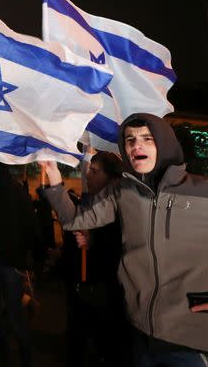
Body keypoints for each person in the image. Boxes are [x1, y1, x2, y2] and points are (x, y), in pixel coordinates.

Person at [41, 113, 208, 365]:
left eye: (147, 138)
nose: (135, 145)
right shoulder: (123, 192)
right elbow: (75, 220)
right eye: (129, 139)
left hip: (196, 345)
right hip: (141, 337)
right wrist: (53, 177)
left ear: (164, 143)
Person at [65, 151, 127, 367]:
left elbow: (120, 250)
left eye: (94, 171)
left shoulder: (123, 209)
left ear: (111, 178)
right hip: (86, 290)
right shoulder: (89, 203)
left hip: (109, 298)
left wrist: (93, 242)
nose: (88, 175)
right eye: (89, 170)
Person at [0, 159, 36, 367]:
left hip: (10, 264)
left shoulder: (11, 194)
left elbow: (30, 226)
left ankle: (22, 358)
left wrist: (29, 258)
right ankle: (9, 357)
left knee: (13, 314)